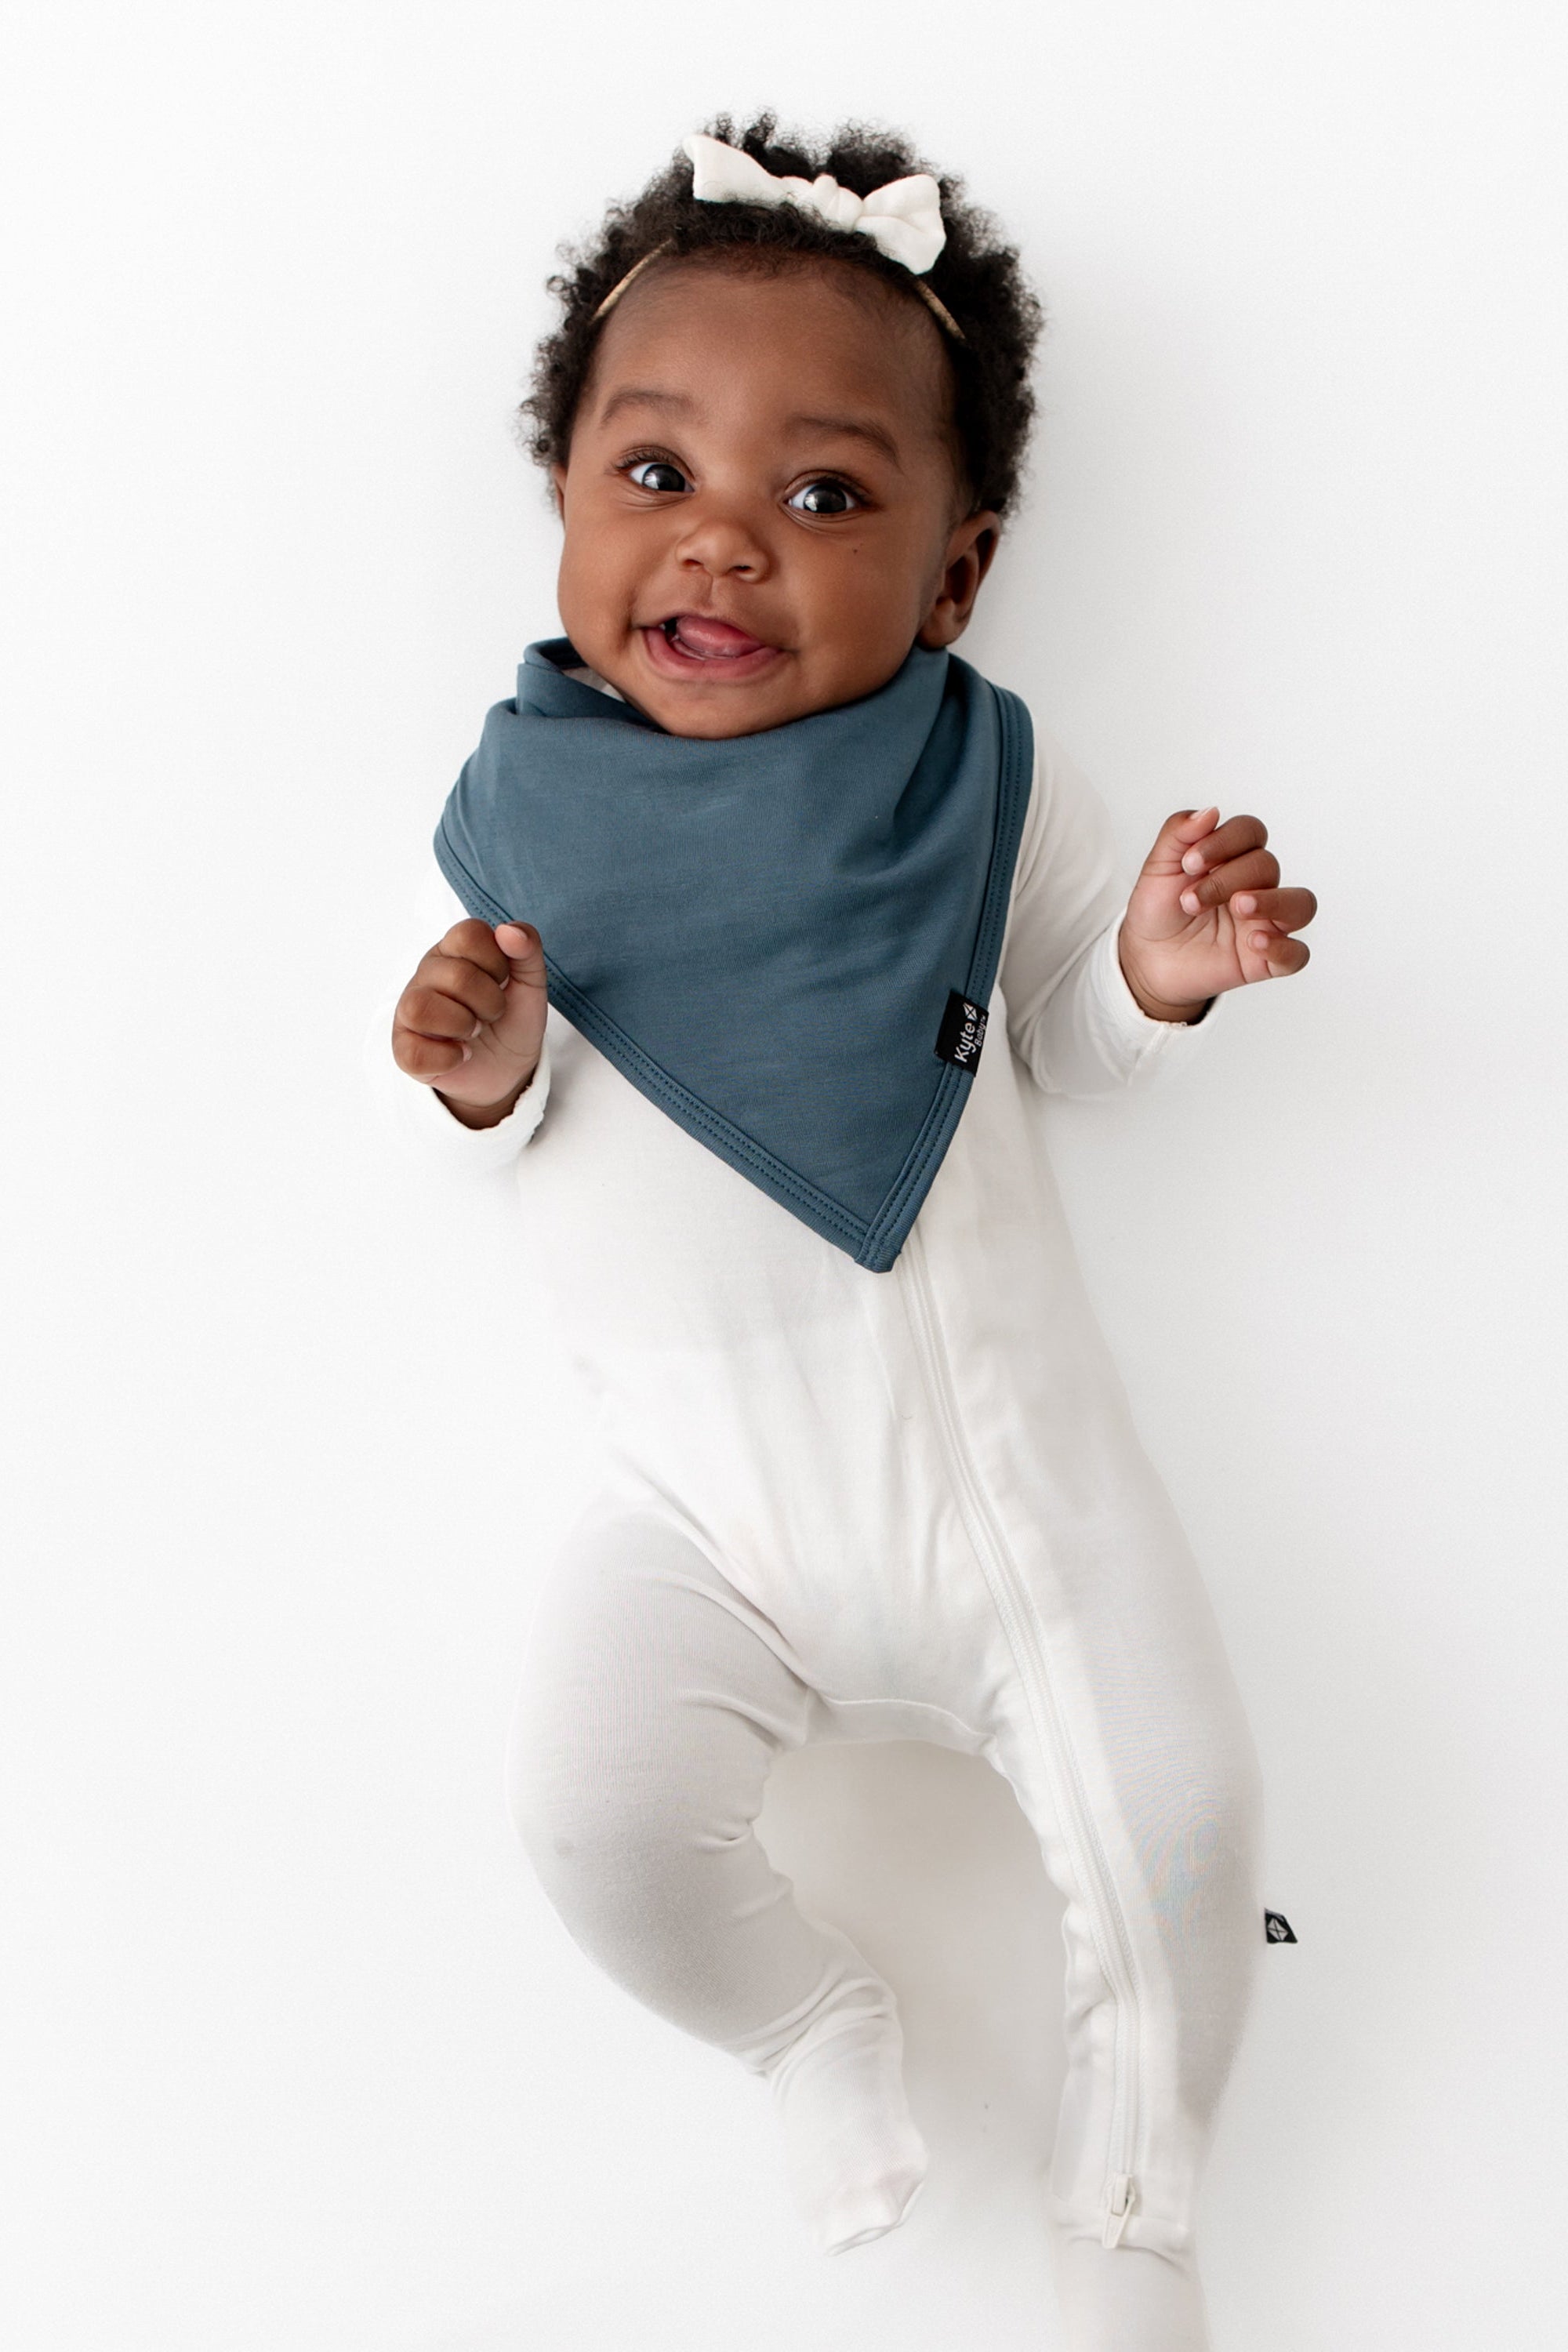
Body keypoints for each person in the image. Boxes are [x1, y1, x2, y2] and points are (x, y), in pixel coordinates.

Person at [361, 116, 1316, 2352]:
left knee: (1187, 1831)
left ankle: (1133, 2220)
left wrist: (1158, 975)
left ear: (959, 573)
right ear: (570, 504)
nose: (725, 549)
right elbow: (481, 1128)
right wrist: (468, 1060)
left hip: (1018, 1494)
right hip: (692, 1506)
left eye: (825, 497)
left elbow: (1061, 1038)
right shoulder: (517, 813)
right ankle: (807, 2029)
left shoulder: (984, 778)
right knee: (593, 1821)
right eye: (657, 474)